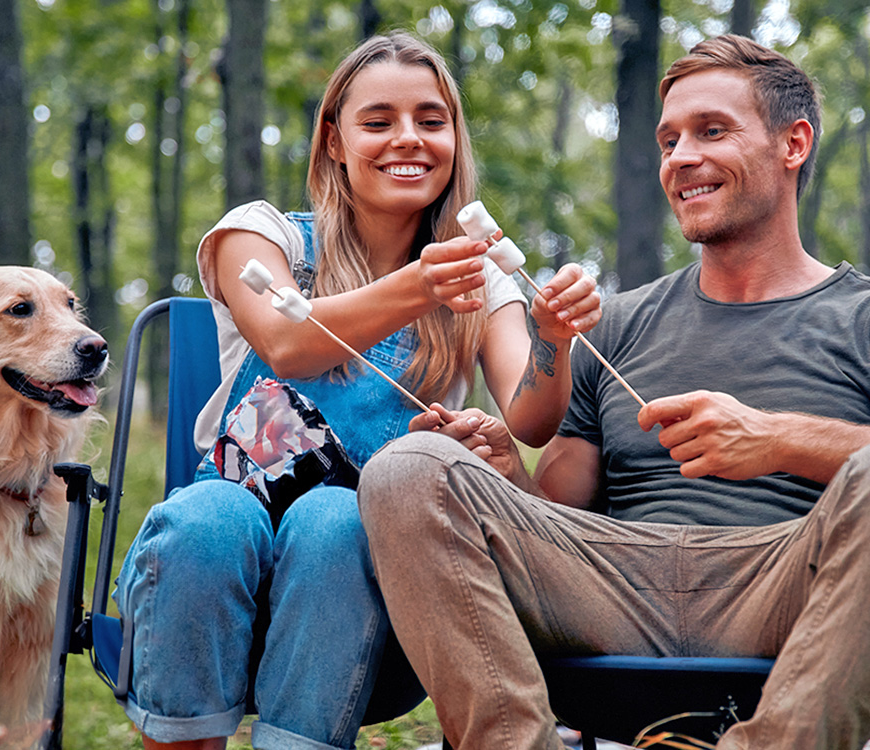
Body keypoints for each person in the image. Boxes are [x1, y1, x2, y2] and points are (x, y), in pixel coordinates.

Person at [358, 34, 870, 750]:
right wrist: (504, 470)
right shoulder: (614, 323)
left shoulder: (859, 316)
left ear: (793, 145)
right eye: (668, 141)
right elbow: (556, 518)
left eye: (711, 131)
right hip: (614, 579)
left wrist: (776, 438)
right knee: (407, 467)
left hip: (784, 579)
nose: (681, 157)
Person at [113, 31, 602, 750]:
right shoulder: (262, 236)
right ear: (334, 140)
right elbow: (287, 341)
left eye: (431, 121)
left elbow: (531, 418)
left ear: (454, 139)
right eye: (378, 121)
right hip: (214, 575)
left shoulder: (481, 282)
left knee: (337, 519)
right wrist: (419, 285)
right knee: (212, 514)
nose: (409, 139)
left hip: (362, 594)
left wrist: (552, 338)